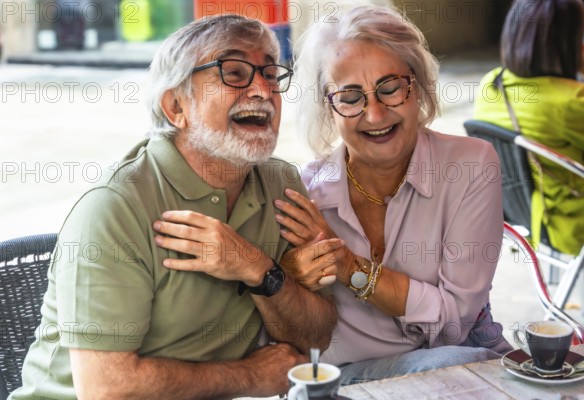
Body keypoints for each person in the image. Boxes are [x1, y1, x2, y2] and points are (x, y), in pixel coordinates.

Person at [10, 14, 341, 400]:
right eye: (233, 73)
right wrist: (248, 376)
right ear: (175, 106)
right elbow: (105, 389)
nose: (262, 91)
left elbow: (314, 340)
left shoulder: (281, 184)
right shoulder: (115, 207)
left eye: (270, 74)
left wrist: (259, 270)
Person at [273, 5, 513, 386]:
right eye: (350, 97)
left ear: (416, 85)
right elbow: (292, 341)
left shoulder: (470, 165)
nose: (375, 113)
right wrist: (285, 277)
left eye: (390, 88)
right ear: (327, 106)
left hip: (458, 367)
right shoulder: (305, 195)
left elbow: (453, 326)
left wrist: (350, 267)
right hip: (350, 381)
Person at [474, 0, 584, 255]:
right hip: (578, 224)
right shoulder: (568, 101)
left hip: (527, 214)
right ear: (569, 43)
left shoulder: (491, 83)